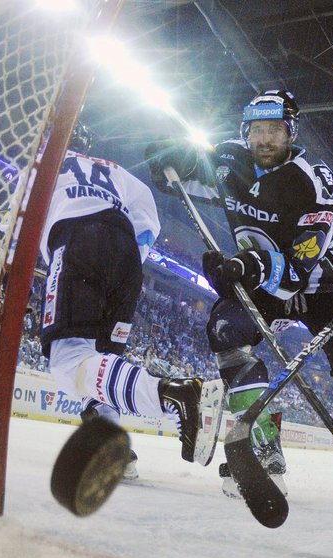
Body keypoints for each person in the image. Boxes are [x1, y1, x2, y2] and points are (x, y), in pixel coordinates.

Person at [146, 89, 333, 494]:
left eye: (274, 131)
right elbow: (189, 180)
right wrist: (171, 163)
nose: (264, 140)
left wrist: (245, 266)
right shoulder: (229, 158)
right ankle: (263, 449)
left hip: (325, 287)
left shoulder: (315, 181)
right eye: (256, 130)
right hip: (263, 280)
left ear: (291, 132)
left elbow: (297, 269)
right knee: (227, 333)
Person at [41, 123, 204, 481]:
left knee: (69, 360)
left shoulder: (43, 162)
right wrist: (120, 264)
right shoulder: (116, 172)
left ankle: (171, 394)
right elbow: (148, 223)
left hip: (79, 240)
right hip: (125, 255)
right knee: (99, 366)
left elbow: (20, 227)